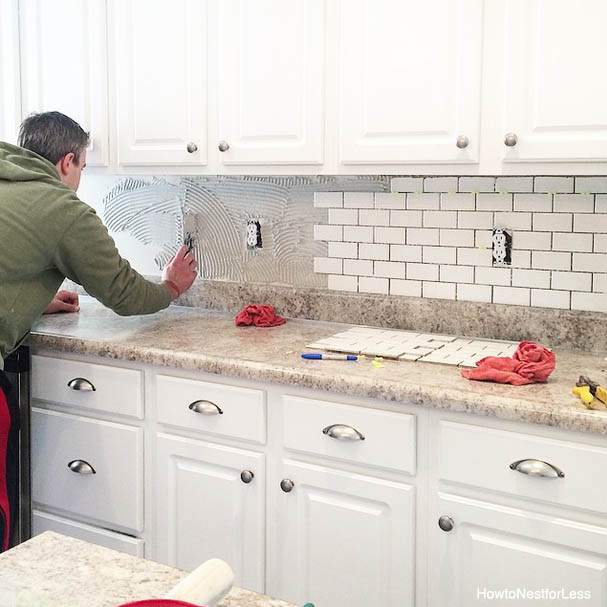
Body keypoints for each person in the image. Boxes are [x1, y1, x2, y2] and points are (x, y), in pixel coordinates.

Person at [0, 111, 197, 551]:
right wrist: (171, 286)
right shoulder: (62, 210)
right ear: (68, 161)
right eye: (84, 169)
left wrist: (32, 298)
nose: (80, 178)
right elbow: (124, 294)